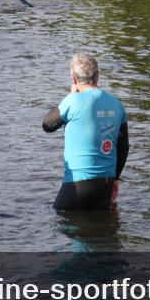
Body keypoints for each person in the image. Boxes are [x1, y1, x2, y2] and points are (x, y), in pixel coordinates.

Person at [42, 54, 129, 211]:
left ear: (73, 78)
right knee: (100, 229)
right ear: (98, 75)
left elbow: (47, 125)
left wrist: (71, 95)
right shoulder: (117, 104)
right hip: (106, 183)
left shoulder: (73, 100)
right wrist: (116, 179)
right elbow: (124, 146)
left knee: (60, 220)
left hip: (79, 182)